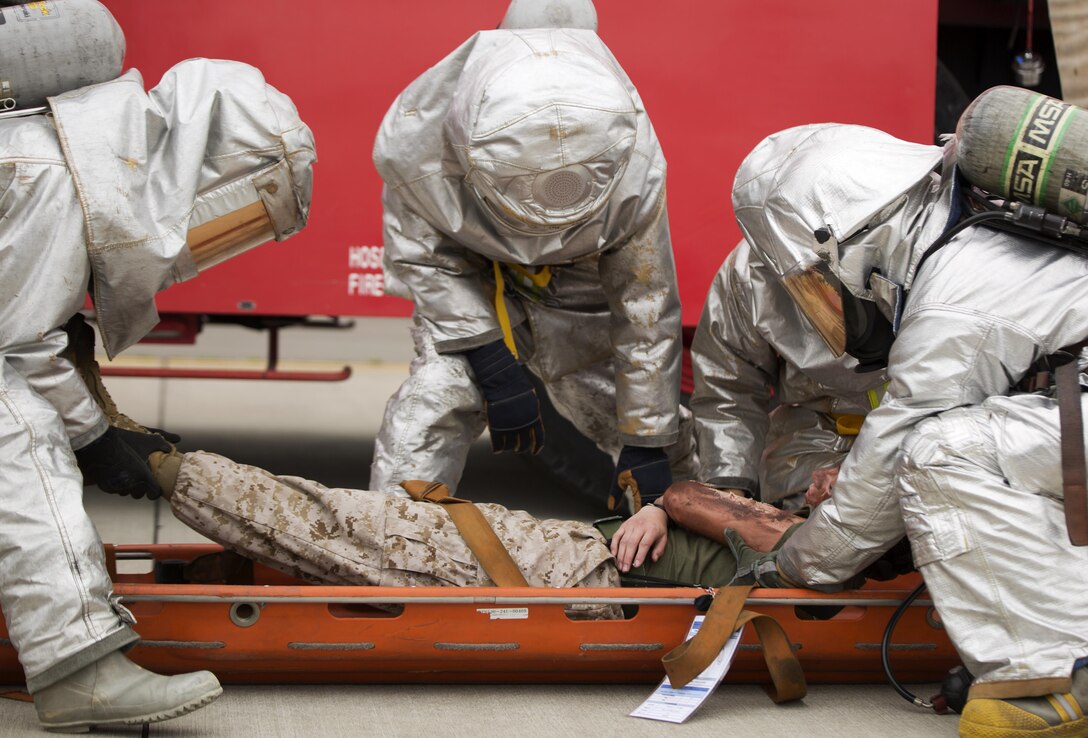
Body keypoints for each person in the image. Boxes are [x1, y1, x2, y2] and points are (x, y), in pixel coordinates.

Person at [0, 1, 316, 730]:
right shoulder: (50, 168)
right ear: (209, 174)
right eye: (235, 217)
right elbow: (16, 348)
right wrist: (93, 439)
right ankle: (77, 667)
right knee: (17, 429)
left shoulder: (59, 144)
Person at [722, 120, 1088, 737]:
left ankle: (1051, 681)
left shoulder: (956, 291)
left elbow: (895, 460)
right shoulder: (979, 223)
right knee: (987, 446)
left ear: (838, 240)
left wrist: (799, 566)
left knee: (940, 455)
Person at [369, 0, 694, 514]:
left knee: (652, 436)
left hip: (580, 287)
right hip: (469, 281)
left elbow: (644, 305)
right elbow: (425, 260)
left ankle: (690, 555)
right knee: (436, 398)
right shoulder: (416, 140)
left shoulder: (634, 162)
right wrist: (491, 360)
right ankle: (385, 553)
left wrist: (648, 442)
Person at [147, 450, 801, 610]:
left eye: (846, 482)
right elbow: (698, 501)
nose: (827, 479)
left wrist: (664, 503)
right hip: (568, 552)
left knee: (350, 527)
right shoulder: (808, 533)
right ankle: (175, 474)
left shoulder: (808, 546)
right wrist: (662, 506)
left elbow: (689, 494)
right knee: (363, 526)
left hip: (573, 575)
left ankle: (164, 469)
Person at [689, 238, 889, 510]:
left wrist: (872, 470)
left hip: (922, 448)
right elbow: (729, 388)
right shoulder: (749, 269)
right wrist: (730, 497)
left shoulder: (924, 230)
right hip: (809, 461)